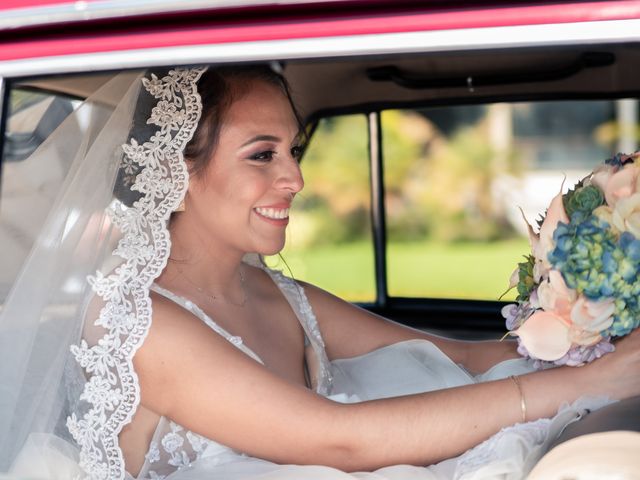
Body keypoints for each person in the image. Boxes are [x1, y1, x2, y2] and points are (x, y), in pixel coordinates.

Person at [0, 65, 639, 480]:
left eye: (294, 151)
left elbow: (462, 357)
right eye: (263, 154)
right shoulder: (137, 325)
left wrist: (585, 338)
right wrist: (597, 383)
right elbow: (339, 442)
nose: (296, 178)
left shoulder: (280, 294)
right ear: (178, 173)